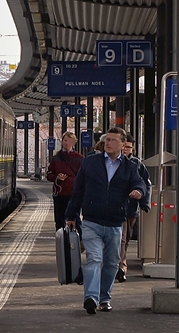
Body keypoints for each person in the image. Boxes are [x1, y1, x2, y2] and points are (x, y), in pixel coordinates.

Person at [65, 128, 145, 314]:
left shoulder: (129, 166)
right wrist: (71, 215)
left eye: (113, 140)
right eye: (107, 139)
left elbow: (139, 183)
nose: (108, 143)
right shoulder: (91, 162)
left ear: (122, 144)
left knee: (111, 263)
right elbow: (78, 190)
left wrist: (139, 192)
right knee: (94, 258)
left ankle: (104, 298)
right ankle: (91, 298)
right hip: (92, 220)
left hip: (115, 222)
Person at [116, 138, 151, 281]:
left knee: (127, 237)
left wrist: (144, 202)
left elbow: (146, 184)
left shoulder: (137, 164)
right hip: (117, 207)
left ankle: (119, 263)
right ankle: (121, 266)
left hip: (132, 208)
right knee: (121, 238)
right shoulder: (114, 163)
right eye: (124, 146)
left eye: (129, 147)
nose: (126, 149)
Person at [45, 132, 83, 230]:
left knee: (76, 219)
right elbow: (49, 175)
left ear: (74, 143)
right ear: (62, 142)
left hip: (74, 194)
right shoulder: (56, 158)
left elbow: (84, 176)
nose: (66, 143)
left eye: (69, 141)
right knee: (59, 219)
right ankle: (61, 237)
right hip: (60, 193)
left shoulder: (80, 158)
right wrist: (57, 177)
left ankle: (79, 238)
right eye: (65, 140)